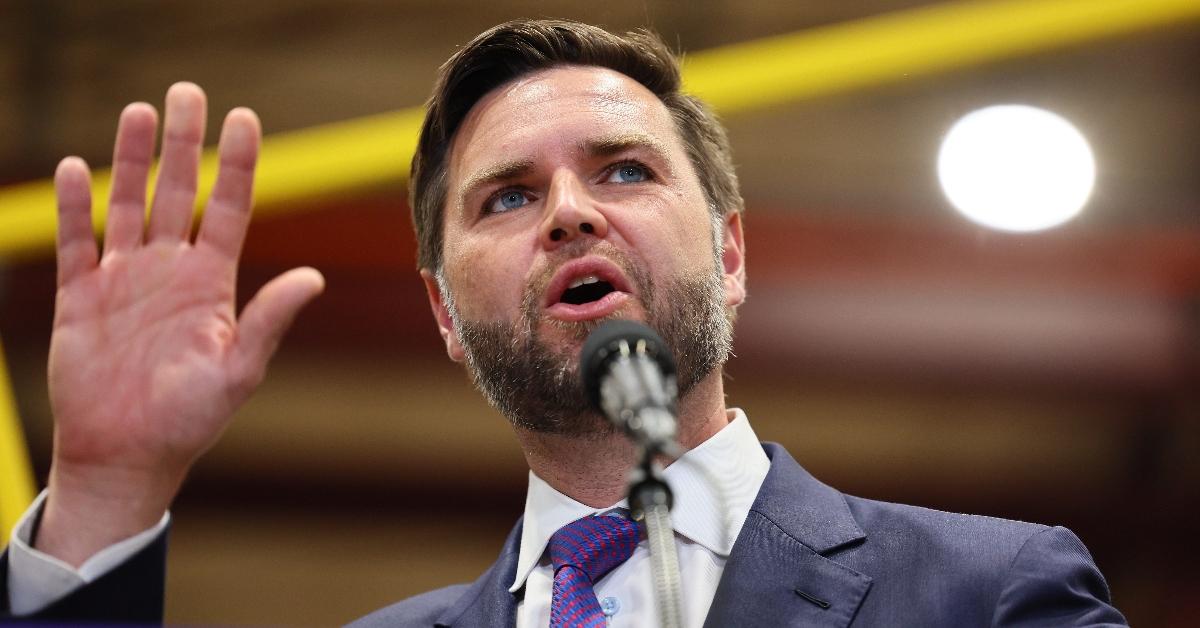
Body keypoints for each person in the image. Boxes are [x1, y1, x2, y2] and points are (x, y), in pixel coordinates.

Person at [1, 19, 1127, 627]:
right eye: (506, 197)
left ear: (729, 254)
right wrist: (108, 491)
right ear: (443, 311)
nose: (571, 214)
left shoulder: (988, 592)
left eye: (624, 170)